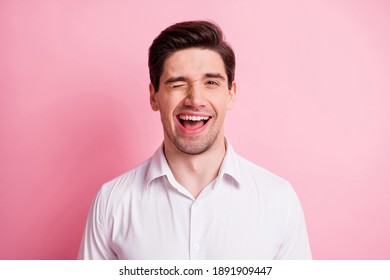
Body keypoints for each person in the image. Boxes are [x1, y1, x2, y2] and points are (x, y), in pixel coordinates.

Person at [78, 20, 312, 260]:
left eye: (211, 83)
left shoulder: (279, 200)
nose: (195, 99)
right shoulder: (112, 202)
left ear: (230, 94)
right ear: (154, 96)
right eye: (178, 83)